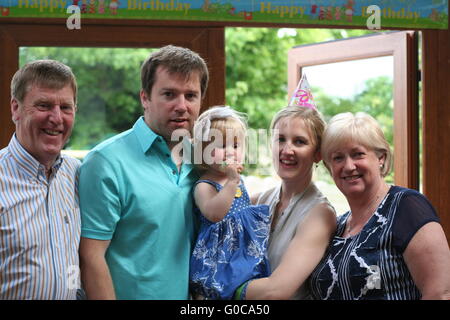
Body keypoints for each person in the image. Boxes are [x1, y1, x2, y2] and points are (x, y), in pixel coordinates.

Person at [78, 45, 209, 300]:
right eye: (169, 94)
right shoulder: (105, 162)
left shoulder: (204, 163)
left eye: (191, 95)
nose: (181, 106)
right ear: (145, 98)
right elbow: (91, 258)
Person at [309, 112, 450, 300]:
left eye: (358, 154)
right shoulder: (338, 225)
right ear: (329, 167)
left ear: (381, 157)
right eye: (338, 158)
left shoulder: (406, 206)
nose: (349, 166)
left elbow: (440, 293)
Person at [234, 105, 336, 300]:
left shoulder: (320, 214)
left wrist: (218, 287)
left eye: (299, 142)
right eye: (280, 139)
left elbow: (276, 292)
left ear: (317, 154)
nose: (287, 150)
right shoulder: (258, 200)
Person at [0, 60, 81, 299]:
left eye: (66, 107)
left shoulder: (79, 175)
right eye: (44, 105)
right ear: (16, 108)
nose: (56, 118)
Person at [189, 106, 271, 300]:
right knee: (218, 293)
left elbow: (241, 204)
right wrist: (232, 181)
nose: (230, 152)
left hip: (243, 250)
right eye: (220, 146)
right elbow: (214, 213)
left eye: (235, 146)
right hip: (219, 257)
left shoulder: (235, 180)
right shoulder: (204, 185)